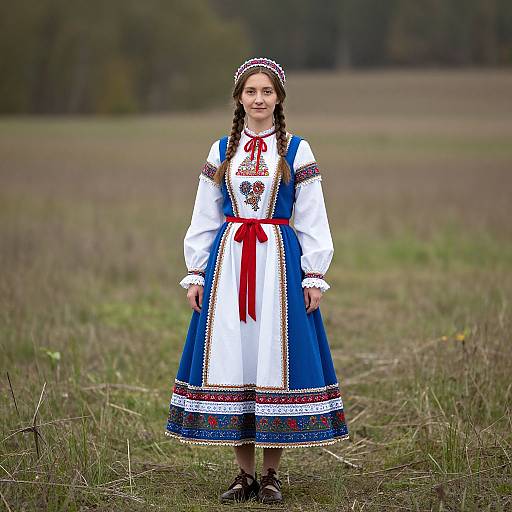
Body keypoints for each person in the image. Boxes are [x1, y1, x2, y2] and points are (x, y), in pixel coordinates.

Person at [165, 57, 349, 504]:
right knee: (236, 360)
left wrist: (313, 274)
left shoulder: (297, 150)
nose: (259, 99)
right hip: (229, 265)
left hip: (278, 265)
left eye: (267, 92)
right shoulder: (221, 150)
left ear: (279, 98)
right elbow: (205, 214)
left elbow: (311, 216)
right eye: (251, 92)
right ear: (239, 98)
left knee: (272, 362)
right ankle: (242, 475)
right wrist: (195, 272)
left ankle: (271, 475)